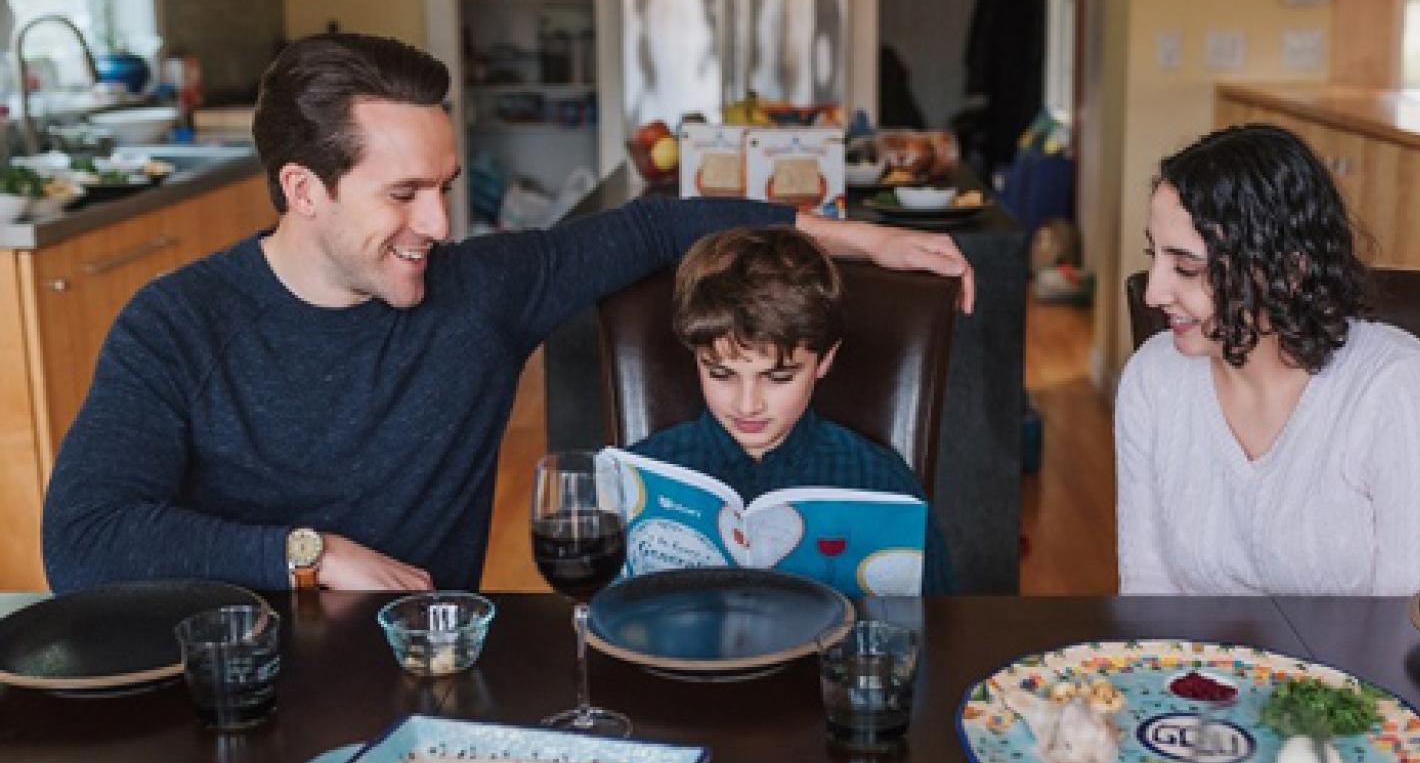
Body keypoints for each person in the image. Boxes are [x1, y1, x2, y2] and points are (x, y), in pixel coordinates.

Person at [40, 32, 973, 593]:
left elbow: (664, 224)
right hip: (229, 681)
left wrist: (867, 239)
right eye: (404, 195)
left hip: (429, 669)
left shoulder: (480, 292)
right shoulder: (176, 323)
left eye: (444, 187)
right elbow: (82, 541)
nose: (441, 226)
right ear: (302, 188)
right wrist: (311, 556)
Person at [1116, 123, 1420, 597]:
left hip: (1358, 672)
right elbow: (1147, 597)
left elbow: (1408, 627)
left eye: (1187, 268)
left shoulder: (1401, 392)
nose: (1154, 292)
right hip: (1200, 671)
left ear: (1288, 271)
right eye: (1154, 256)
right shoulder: (1152, 379)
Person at [626, 227, 952, 593]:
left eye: (778, 377)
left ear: (824, 360)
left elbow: (937, 624)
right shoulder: (642, 474)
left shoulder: (882, 484)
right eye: (721, 374)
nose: (748, 404)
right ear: (695, 358)